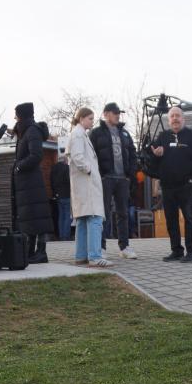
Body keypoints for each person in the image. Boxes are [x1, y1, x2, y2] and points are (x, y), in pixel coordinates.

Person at [151, 106, 192, 263]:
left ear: (183, 119)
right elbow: (153, 160)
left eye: (177, 116)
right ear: (169, 120)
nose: (175, 118)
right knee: (171, 220)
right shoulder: (162, 136)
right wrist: (156, 155)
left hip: (186, 185)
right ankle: (176, 251)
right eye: (172, 116)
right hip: (168, 186)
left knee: (189, 219)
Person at [89, 102, 137, 259]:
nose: (118, 115)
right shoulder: (96, 133)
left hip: (122, 179)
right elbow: (91, 155)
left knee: (123, 213)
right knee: (104, 214)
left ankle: (125, 247)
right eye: (115, 112)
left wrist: (131, 174)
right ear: (106, 114)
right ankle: (101, 247)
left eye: (119, 113)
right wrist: (99, 174)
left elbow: (132, 153)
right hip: (105, 178)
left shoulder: (125, 133)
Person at [66, 107, 112, 268]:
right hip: (87, 184)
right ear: (81, 119)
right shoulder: (78, 135)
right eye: (90, 119)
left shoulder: (78, 134)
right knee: (94, 218)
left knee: (83, 219)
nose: (93, 121)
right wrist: (90, 170)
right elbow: (78, 157)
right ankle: (94, 256)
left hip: (82, 185)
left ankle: (81, 256)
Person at [11, 102, 55, 264]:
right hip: (26, 183)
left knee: (38, 217)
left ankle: (41, 252)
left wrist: (19, 167)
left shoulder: (32, 131)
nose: (14, 117)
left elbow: (36, 155)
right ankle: (31, 252)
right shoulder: (25, 131)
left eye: (16, 114)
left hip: (31, 182)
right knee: (30, 218)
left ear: (22, 115)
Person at [51, 152, 72, 241]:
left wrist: (55, 193)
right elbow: (69, 181)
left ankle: (61, 235)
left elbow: (51, 182)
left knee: (61, 216)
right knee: (67, 215)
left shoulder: (53, 169)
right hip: (66, 195)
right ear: (65, 161)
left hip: (57, 196)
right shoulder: (67, 168)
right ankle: (65, 236)